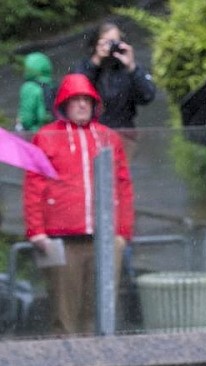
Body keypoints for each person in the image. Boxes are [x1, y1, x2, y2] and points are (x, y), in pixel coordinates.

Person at [22, 73, 134, 335]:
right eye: (75, 100)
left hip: (103, 237)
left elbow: (123, 185)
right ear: (64, 104)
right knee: (63, 313)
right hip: (59, 238)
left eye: (87, 99)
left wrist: (123, 232)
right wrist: (36, 230)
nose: (82, 105)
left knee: (99, 312)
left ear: (95, 104)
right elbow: (33, 186)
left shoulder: (108, 137)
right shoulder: (46, 136)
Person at [71, 19, 156, 150]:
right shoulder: (86, 66)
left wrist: (132, 68)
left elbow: (147, 96)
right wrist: (96, 61)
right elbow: (74, 89)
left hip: (124, 135)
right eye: (107, 42)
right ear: (96, 44)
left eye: (115, 42)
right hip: (91, 135)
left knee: (121, 170)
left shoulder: (128, 69)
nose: (111, 47)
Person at [16, 52, 55, 132]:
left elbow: (27, 119)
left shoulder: (29, 88)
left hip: (35, 132)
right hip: (53, 132)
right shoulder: (52, 85)